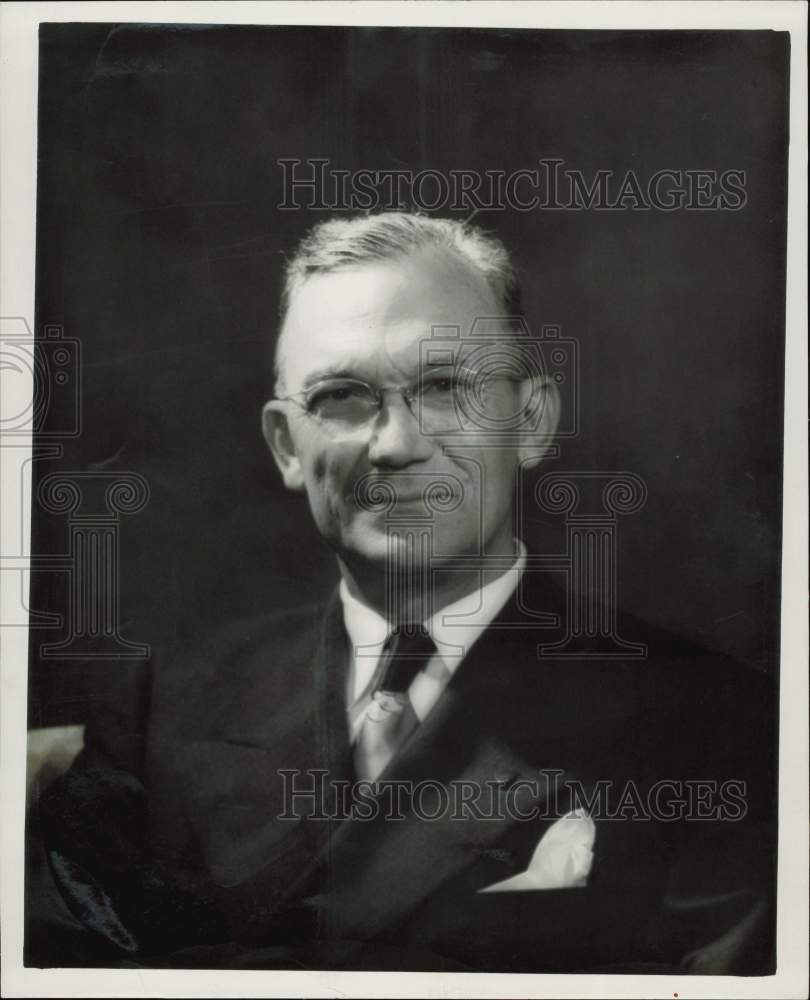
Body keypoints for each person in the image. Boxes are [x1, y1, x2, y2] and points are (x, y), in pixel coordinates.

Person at [31, 212, 775, 973]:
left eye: (446, 387)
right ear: (288, 446)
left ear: (530, 422)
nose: (396, 444)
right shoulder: (163, 707)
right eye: (341, 397)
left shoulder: (719, 725)